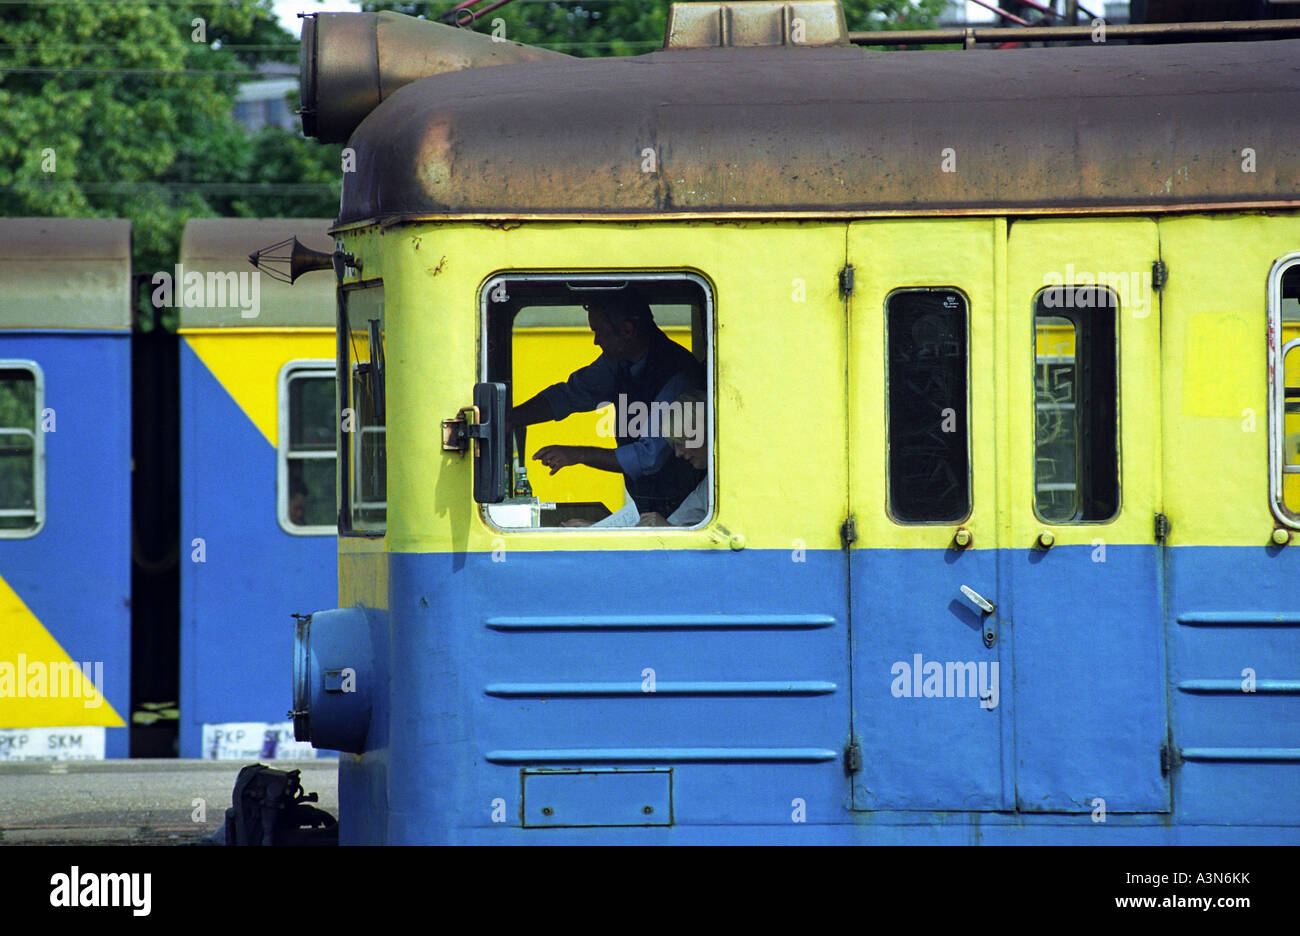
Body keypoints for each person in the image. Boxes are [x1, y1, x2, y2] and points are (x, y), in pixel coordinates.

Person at [510, 290, 704, 518]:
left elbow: (648, 456)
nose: (596, 341)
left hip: (685, 510)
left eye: (599, 332)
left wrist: (578, 455)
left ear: (627, 331)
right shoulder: (618, 363)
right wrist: (509, 419)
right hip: (649, 505)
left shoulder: (678, 375)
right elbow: (571, 394)